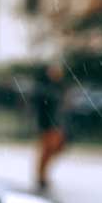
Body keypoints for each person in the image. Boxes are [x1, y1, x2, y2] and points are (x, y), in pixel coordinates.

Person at [33, 60, 69, 191]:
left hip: (57, 124)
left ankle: (42, 175)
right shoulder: (45, 88)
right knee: (47, 150)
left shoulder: (60, 87)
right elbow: (42, 107)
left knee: (55, 149)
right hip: (48, 124)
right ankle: (41, 176)